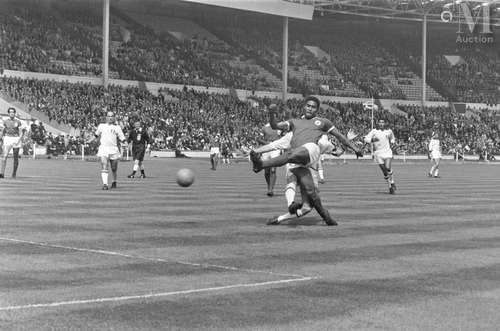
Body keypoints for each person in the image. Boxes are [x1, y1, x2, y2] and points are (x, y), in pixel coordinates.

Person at [250, 96, 362, 174]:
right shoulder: (294, 122)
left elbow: (339, 139)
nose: (310, 108)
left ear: (317, 109)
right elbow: (275, 126)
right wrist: (271, 114)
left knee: (291, 154)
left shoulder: (323, 122)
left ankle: (262, 164)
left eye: (313, 107)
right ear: (304, 107)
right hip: (295, 160)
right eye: (308, 106)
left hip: (308, 159)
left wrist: (355, 148)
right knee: (299, 193)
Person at [253, 132, 345, 226]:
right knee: (309, 205)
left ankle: (286, 210)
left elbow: (273, 145)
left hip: (292, 164)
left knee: (292, 183)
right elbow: (338, 152)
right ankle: (325, 217)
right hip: (309, 169)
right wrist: (346, 141)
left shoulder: (292, 134)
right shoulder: (322, 139)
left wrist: (256, 151)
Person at [94, 110, 127, 190]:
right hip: (104, 148)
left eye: (112, 116)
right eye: (109, 116)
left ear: (114, 118)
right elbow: (96, 135)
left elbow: (122, 137)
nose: (110, 118)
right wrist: (89, 140)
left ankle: (114, 181)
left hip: (114, 149)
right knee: (104, 165)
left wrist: (125, 142)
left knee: (114, 168)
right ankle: (105, 184)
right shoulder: (101, 126)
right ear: (106, 117)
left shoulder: (117, 127)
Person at [363, 118, 397, 194]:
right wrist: (372, 140)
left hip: (387, 152)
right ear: (378, 123)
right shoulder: (374, 131)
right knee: (384, 172)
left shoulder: (389, 131)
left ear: (384, 123)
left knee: (388, 168)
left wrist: (392, 142)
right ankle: (390, 187)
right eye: (380, 122)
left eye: (383, 122)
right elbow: (365, 138)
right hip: (378, 153)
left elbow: (393, 139)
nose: (381, 124)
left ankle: (392, 182)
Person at [0, 107, 26, 178]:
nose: (12, 113)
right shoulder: (5, 122)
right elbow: (3, 131)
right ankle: (2, 173)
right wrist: (1, 138)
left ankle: (14, 173)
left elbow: (21, 132)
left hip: (16, 139)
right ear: (8, 113)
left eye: (13, 112)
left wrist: (19, 139)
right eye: (10, 112)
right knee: (4, 156)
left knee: (15, 157)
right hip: (7, 138)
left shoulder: (18, 122)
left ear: (15, 113)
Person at [257, 123, 282, 196]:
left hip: (276, 149)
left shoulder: (280, 126)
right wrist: (267, 144)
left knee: (273, 170)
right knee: (267, 171)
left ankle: (271, 190)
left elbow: (285, 138)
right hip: (266, 148)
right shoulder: (264, 127)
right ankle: (269, 187)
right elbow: (258, 139)